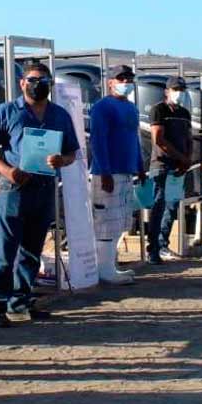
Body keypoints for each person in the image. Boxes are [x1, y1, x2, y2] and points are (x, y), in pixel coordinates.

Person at [0, 62, 80, 328]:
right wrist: (7, 171)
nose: (39, 84)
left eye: (44, 80)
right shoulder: (7, 112)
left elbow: (72, 152)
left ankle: (21, 301)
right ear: (23, 83)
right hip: (15, 188)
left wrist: (62, 160)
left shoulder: (60, 115)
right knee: (5, 249)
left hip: (45, 188)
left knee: (32, 250)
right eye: (34, 79)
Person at [88, 64, 145, 284]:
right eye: (120, 78)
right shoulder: (102, 107)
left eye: (128, 78)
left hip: (126, 171)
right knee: (105, 221)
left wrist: (140, 166)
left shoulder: (131, 108)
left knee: (119, 221)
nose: (125, 83)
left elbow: (135, 139)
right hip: (108, 173)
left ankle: (109, 264)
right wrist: (105, 171)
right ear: (110, 82)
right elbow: (98, 140)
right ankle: (104, 269)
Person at [146, 76, 193, 265]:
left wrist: (187, 159)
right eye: (175, 89)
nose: (179, 93)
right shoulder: (158, 110)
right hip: (162, 165)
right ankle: (153, 250)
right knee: (157, 206)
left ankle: (163, 244)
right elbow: (158, 139)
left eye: (182, 89)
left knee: (172, 205)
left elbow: (188, 138)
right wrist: (180, 157)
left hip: (179, 167)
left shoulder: (184, 112)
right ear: (167, 91)